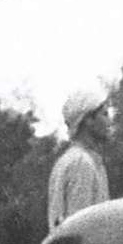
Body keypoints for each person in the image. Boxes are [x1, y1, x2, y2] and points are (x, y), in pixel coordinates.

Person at [47, 88, 112, 230]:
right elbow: (80, 228)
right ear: (88, 120)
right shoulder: (81, 163)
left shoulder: (75, 160)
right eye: (104, 114)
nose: (109, 121)